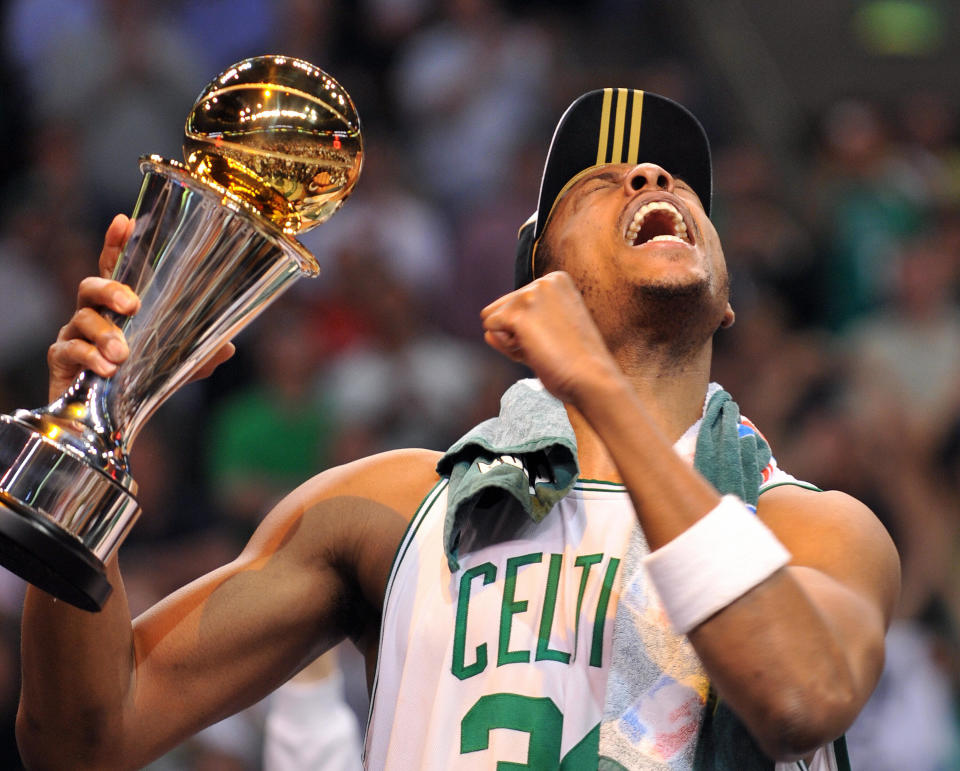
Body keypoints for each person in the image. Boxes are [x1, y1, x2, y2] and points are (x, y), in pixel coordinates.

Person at [16, 88, 899, 769]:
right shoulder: (389, 507)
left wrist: (598, 388)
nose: (652, 179)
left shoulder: (810, 528)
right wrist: (96, 440)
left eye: (677, 183)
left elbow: (802, 693)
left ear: (729, 300)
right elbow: (84, 740)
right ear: (535, 273)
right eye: (599, 182)